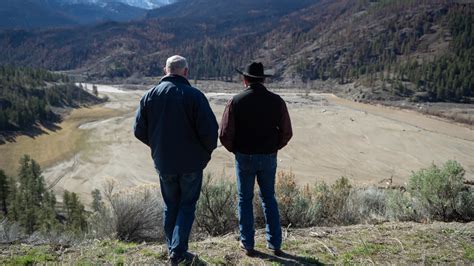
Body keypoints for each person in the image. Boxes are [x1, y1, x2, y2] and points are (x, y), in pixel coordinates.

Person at [134, 55, 218, 264]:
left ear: (166, 70)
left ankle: (173, 249)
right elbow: (210, 132)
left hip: (164, 163)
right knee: (187, 206)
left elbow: (138, 130)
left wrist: (157, 147)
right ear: (186, 72)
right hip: (191, 164)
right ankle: (178, 253)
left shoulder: (149, 96)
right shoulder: (195, 96)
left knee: (171, 205)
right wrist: (204, 154)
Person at [219, 62, 293, 257]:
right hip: (268, 156)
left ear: (245, 80)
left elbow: (225, 134)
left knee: (245, 199)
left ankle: (248, 243)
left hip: (244, 156)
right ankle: (275, 243)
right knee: (269, 198)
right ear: (263, 80)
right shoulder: (277, 101)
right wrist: (274, 147)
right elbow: (287, 132)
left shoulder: (235, 101)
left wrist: (237, 150)